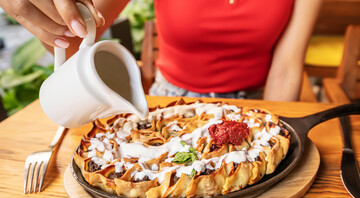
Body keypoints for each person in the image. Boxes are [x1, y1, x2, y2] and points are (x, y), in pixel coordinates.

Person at [0, 0, 322, 101]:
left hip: (260, 102)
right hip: (168, 99)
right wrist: (57, 17)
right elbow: (73, 38)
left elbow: (286, 70)